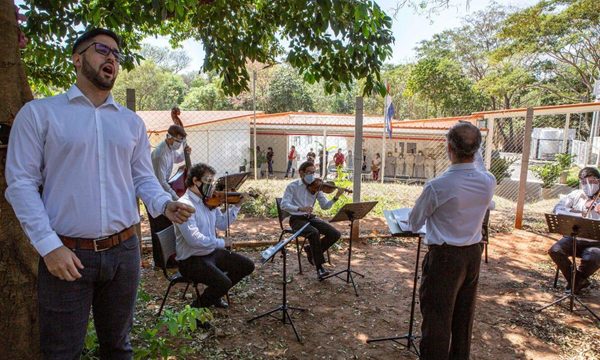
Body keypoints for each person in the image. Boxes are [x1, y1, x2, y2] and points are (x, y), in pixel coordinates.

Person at [4, 28, 195, 359]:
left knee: (118, 347)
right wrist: (49, 248)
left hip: (124, 254)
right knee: (62, 352)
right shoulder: (39, 114)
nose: (112, 58)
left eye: (117, 55)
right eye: (102, 50)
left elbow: (143, 177)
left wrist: (165, 203)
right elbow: (20, 185)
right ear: (78, 59)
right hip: (66, 255)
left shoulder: (130, 123)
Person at [408, 122, 495, 360]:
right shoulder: (488, 181)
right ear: (477, 151)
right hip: (472, 255)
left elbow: (414, 222)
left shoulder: (438, 186)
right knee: (463, 318)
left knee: (437, 320)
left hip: (445, 258)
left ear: (448, 148)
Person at [174, 163, 255, 309]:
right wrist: (221, 243)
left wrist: (236, 206)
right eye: (208, 181)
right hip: (190, 259)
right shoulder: (184, 205)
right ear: (195, 181)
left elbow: (223, 224)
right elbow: (194, 240)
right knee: (224, 282)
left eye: (212, 181)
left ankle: (214, 295)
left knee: (247, 266)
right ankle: (197, 309)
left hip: (210, 252)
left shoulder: (209, 201)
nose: (211, 186)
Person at [281, 161, 344, 279]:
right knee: (314, 232)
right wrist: (300, 208)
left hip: (310, 218)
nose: (312, 175)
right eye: (309, 172)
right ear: (301, 173)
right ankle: (319, 267)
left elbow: (325, 206)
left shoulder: (317, 186)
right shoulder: (292, 186)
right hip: (296, 219)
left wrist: (336, 197)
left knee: (335, 234)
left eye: (314, 172)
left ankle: (311, 250)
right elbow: (284, 204)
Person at [549, 167, 600, 294]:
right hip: (573, 238)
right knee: (555, 250)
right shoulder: (576, 194)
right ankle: (578, 281)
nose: (587, 185)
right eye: (584, 182)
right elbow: (557, 208)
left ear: (598, 181)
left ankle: (575, 281)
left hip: (596, 242)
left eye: (592, 182)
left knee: (593, 257)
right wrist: (579, 211)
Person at [149, 122, 190, 266]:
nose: (179, 144)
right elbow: (161, 182)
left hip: (164, 192)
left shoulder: (170, 148)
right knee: (159, 228)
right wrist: (176, 197)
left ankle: (168, 260)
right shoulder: (160, 154)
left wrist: (185, 152)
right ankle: (161, 262)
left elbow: (177, 158)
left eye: (181, 141)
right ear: (169, 137)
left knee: (166, 226)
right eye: (178, 141)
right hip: (155, 193)